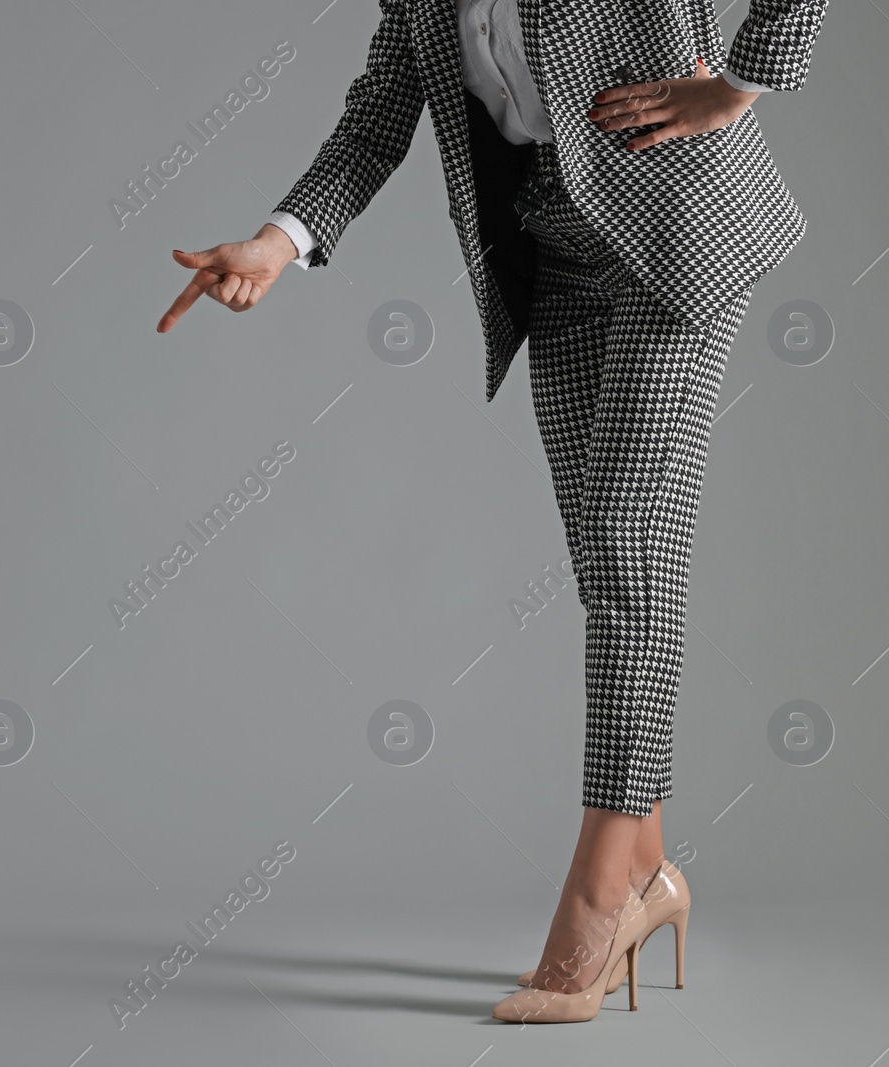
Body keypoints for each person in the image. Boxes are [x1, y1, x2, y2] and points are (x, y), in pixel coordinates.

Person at [157, 0, 828, 1024]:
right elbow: (379, 114)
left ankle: (598, 896)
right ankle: (649, 873)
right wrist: (275, 243)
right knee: (608, 565)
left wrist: (737, 84)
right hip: (550, 263)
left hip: (680, 237)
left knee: (624, 538)